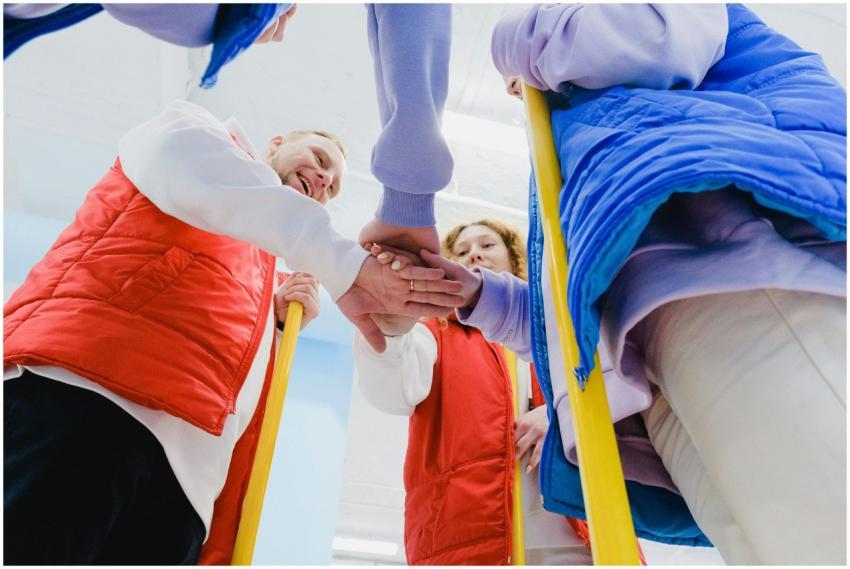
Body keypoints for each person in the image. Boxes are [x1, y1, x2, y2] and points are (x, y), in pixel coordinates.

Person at [422, 3, 843, 565]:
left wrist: (516, 41)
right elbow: (568, 314)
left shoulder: (592, 57)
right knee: (778, 543)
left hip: (737, 258)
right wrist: (478, 295)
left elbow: (654, 36)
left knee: (823, 522)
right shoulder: (577, 141)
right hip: (651, 351)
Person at [3, 99, 460, 564]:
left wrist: (275, 326)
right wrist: (344, 263)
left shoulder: (265, 270)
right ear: (276, 143)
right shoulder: (199, 134)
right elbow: (184, 166)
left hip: (186, 485)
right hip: (90, 399)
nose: (325, 180)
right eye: (320, 160)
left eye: (334, 185)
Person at [356, 220, 594, 565]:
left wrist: (561, 417)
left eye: (487, 245)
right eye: (462, 252)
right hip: (467, 541)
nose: (475, 255)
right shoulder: (434, 333)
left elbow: (614, 398)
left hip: (579, 540)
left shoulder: (558, 333)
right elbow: (391, 390)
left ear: (514, 257)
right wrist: (388, 329)